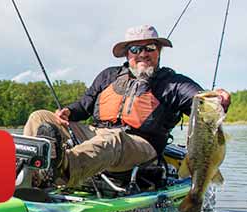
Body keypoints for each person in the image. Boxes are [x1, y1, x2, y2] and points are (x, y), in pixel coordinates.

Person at [23, 24, 231, 188]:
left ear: (158, 51)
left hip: (141, 146)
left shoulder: (172, 82)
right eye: (135, 49)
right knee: (39, 117)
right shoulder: (108, 76)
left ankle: (61, 168)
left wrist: (218, 98)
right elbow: (84, 105)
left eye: (150, 47)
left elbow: (200, 99)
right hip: (100, 135)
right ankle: (29, 176)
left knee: (112, 139)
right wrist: (69, 111)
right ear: (127, 54)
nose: (143, 53)